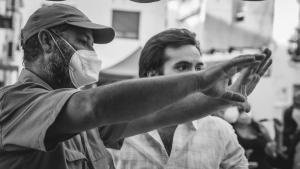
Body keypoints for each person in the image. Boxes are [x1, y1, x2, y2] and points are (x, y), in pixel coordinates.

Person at [0, 4, 269, 169]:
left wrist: (220, 99)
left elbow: (160, 114)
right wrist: (200, 80)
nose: (92, 53)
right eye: (83, 41)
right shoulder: (16, 102)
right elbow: (93, 105)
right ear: (47, 43)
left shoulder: (75, 117)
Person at [108, 28, 271, 169]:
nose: (198, 76)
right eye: (182, 67)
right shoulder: (117, 130)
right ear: (153, 77)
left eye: (199, 67)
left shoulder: (219, 129)